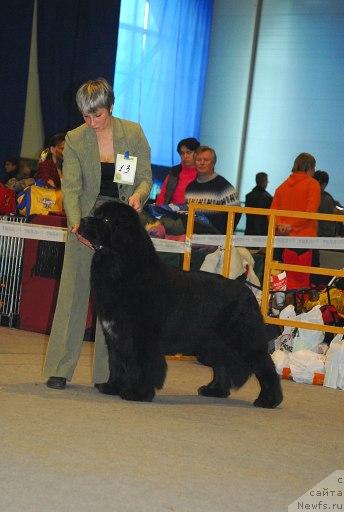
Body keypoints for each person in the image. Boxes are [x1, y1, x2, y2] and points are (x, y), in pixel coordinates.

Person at [43, 77, 152, 390]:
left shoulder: (132, 133)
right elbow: (72, 186)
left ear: (111, 107)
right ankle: (61, 369)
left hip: (120, 227)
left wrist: (138, 196)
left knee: (116, 302)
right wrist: (76, 223)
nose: (91, 122)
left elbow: (144, 178)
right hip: (87, 221)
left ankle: (109, 375)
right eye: (86, 116)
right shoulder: (76, 139)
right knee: (73, 294)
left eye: (97, 115)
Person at [271, 152, 321, 289]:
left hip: (282, 241)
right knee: (306, 285)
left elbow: (272, 213)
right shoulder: (313, 185)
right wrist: (291, 226)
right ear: (310, 167)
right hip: (305, 242)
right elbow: (309, 212)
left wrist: (281, 226)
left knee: (280, 284)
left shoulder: (281, 187)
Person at [184, 145, 241, 234]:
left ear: (213, 163)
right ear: (195, 163)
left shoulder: (225, 187)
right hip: (191, 239)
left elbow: (236, 214)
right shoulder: (190, 188)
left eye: (206, 160)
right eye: (198, 160)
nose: (202, 163)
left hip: (217, 242)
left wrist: (224, 235)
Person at [155, 137, 200, 205]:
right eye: (182, 153)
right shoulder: (174, 172)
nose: (185, 156)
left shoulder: (203, 174)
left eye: (188, 152)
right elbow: (162, 196)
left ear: (197, 153)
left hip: (194, 213)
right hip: (171, 212)